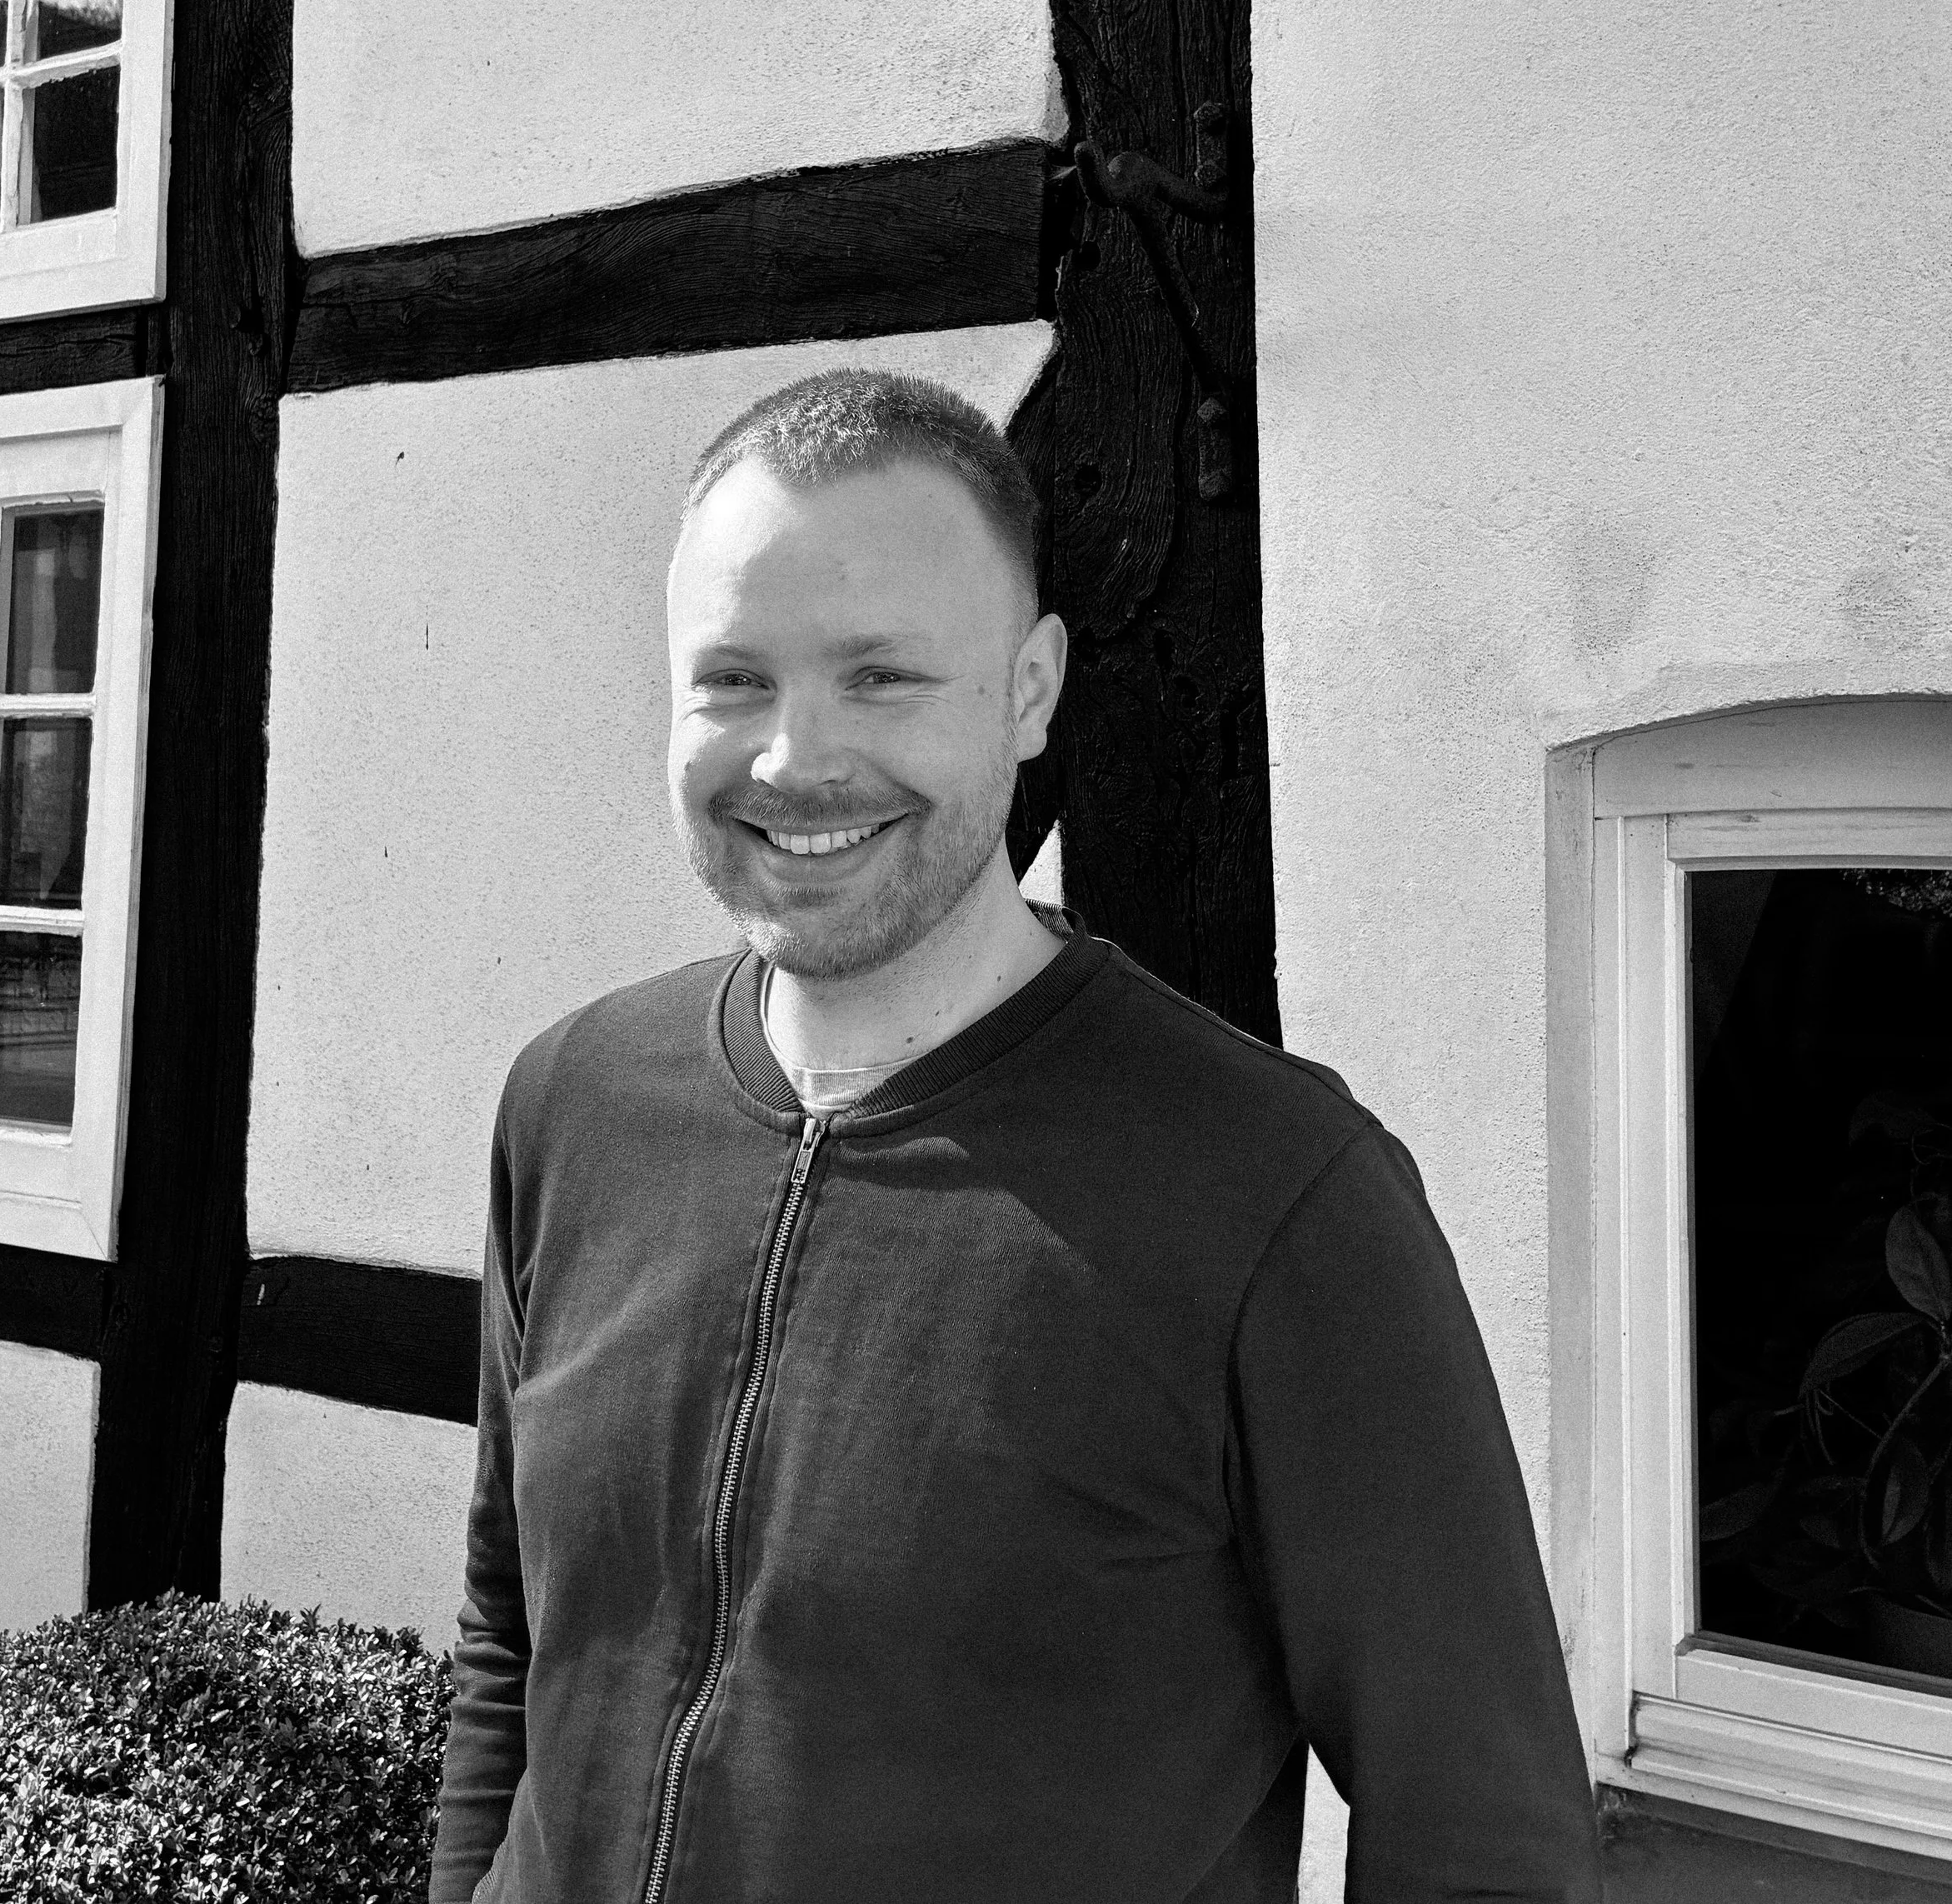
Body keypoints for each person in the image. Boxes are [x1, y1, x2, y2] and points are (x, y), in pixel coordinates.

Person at [428, 370, 1602, 1904]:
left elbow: (1483, 1841)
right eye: (731, 680)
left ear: (1033, 687)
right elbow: (513, 1644)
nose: (793, 759)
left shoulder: (1277, 1197)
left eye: (883, 677)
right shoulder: (572, 1102)